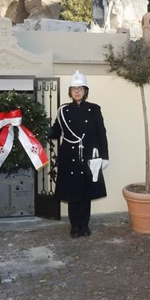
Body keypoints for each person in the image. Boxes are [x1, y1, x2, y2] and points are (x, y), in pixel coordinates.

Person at [49, 70, 109, 238]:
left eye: (80, 88)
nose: (77, 91)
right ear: (70, 91)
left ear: (85, 91)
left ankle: (85, 225)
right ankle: (75, 226)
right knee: (72, 192)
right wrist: (39, 131)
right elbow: (56, 131)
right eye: (74, 89)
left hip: (89, 155)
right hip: (69, 155)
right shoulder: (63, 110)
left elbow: (101, 134)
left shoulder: (94, 109)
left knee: (86, 192)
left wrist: (104, 156)